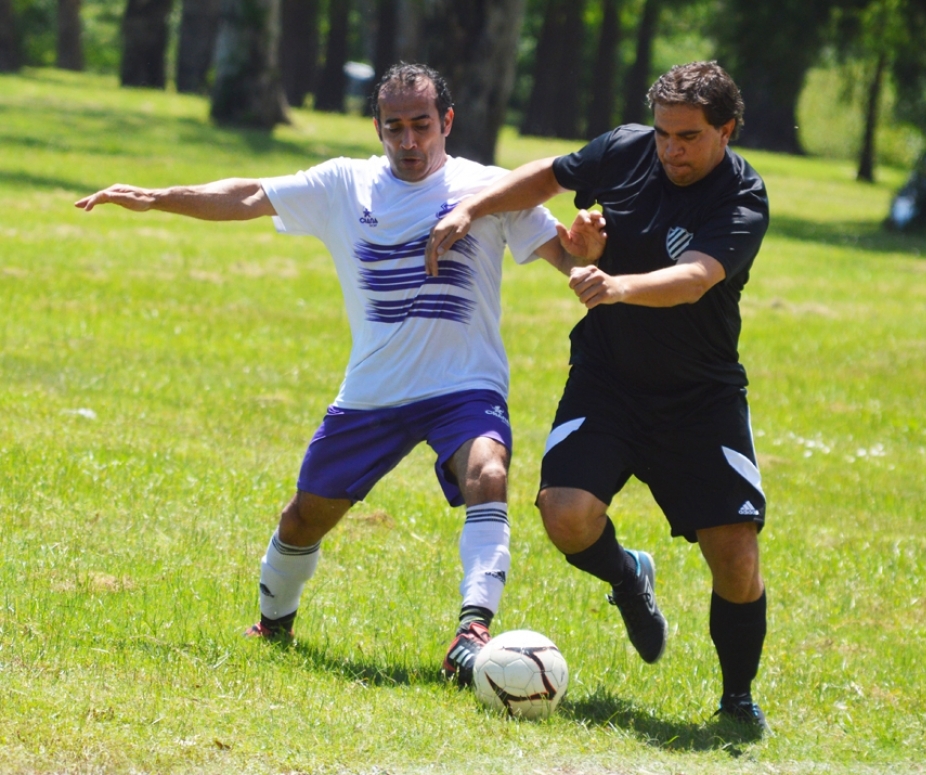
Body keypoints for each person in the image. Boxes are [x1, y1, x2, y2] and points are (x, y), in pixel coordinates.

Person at [75, 63, 604, 687]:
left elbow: (569, 259)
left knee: (488, 473)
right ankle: (273, 624)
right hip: (375, 391)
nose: (409, 141)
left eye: (422, 125)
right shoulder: (345, 184)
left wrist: (588, 253)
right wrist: (155, 197)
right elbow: (248, 195)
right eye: (394, 127)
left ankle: (472, 631)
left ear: (447, 121)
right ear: (377, 128)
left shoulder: (490, 188)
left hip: (464, 385)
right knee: (304, 517)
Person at [426, 61, 771, 729]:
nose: (671, 150)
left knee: (734, 553)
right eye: (664, 133)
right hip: (607, 378)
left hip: (698, 396)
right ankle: (626, 576)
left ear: (726, 131)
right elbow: (548, 176)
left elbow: (696, 277)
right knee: (565, 515)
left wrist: (615, 284)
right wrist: (472, 207)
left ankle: (736, 700)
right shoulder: (625, 149)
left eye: (690, 137)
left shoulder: (742, 195)